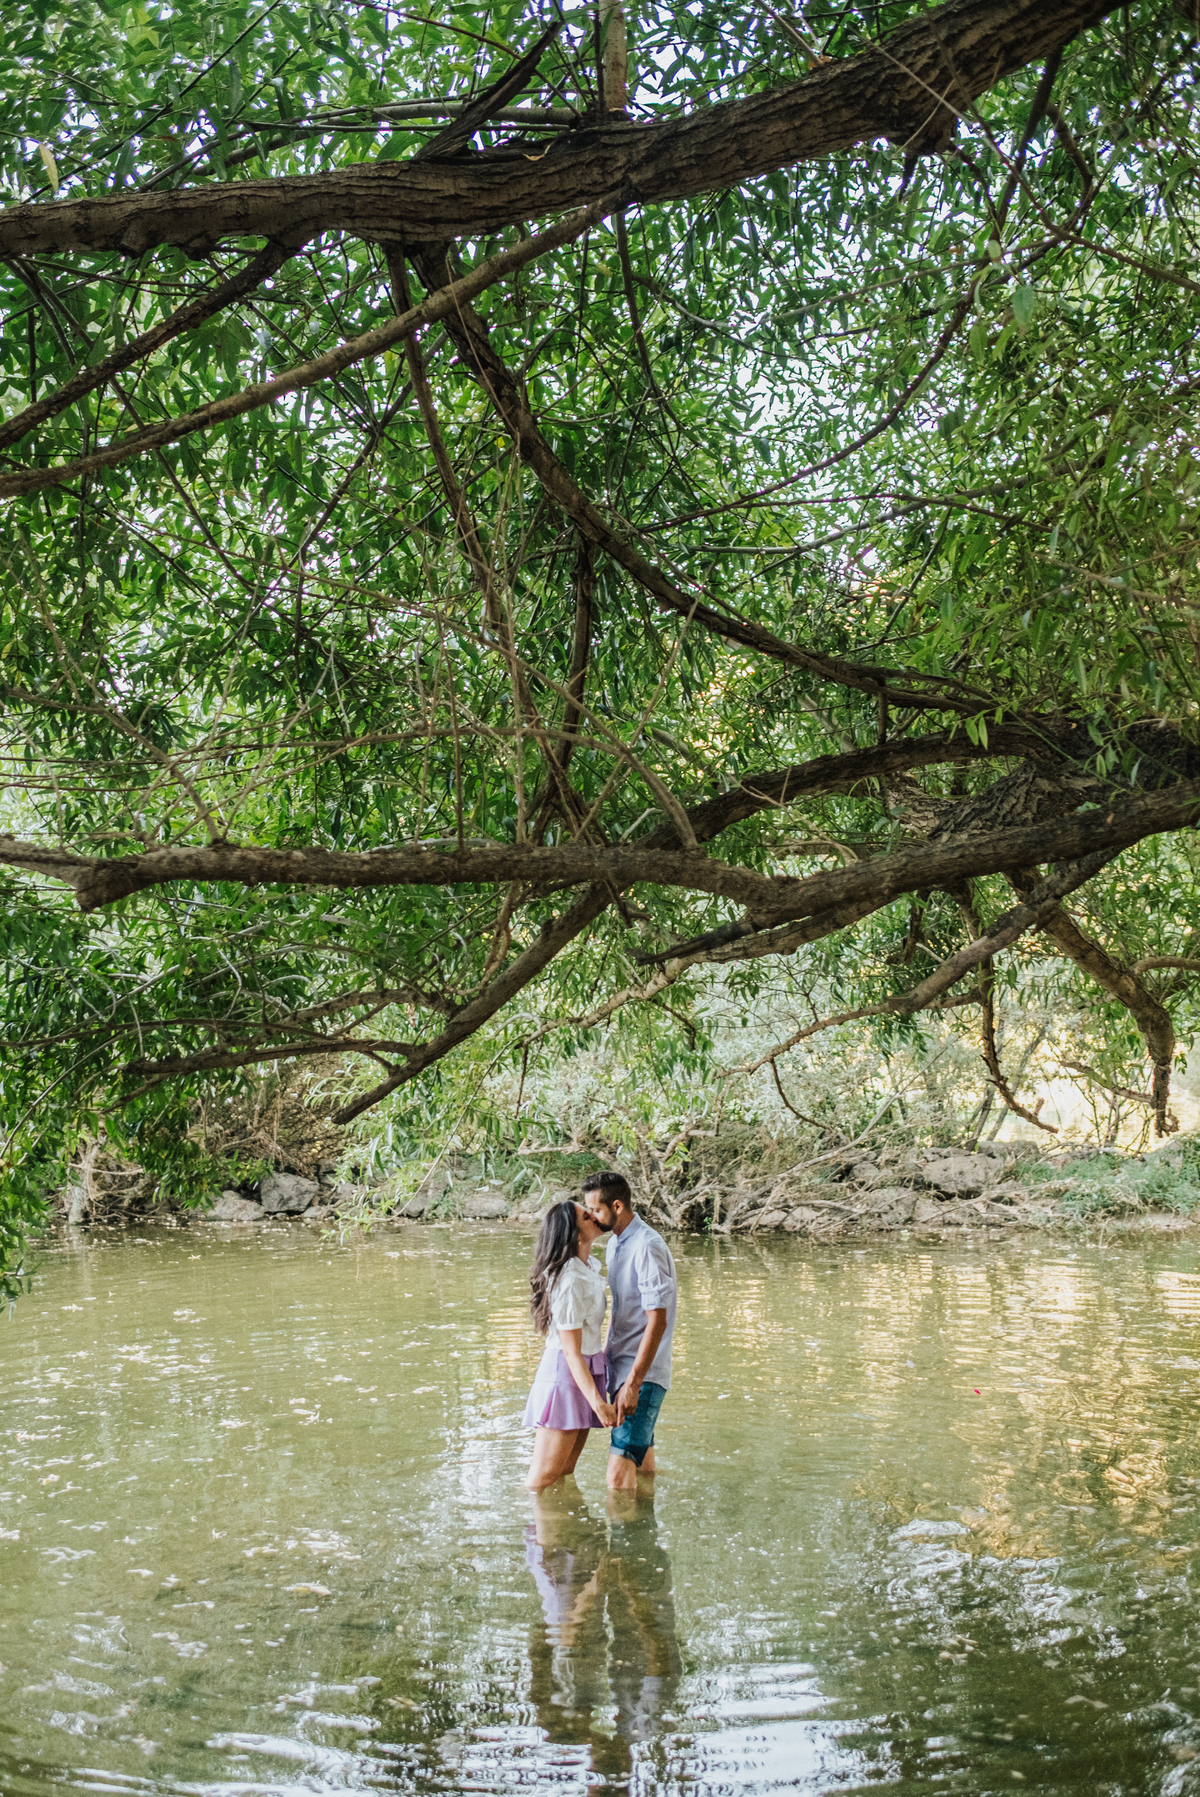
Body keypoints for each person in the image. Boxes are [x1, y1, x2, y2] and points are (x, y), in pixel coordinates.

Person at [582, 1171, 677, 1493]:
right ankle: (643, 1535)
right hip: (623, 1368)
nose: (591, 1217)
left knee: (616, 1479)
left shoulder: (646, 1246)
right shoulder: (616, 1244)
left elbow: (658, 1320)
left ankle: (626, 1542)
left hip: (641, 1375)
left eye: (595, 1210)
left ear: (617, 1206)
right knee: (641, 1465)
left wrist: (633, 1383)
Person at [523, 1200, 617, 1490]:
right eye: (587, 1217)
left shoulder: (587, 1268)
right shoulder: (570, 1279)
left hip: (585, 1369)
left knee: (565, 1470)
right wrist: (598, 1402)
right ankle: (531, 1532)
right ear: (574, 1233)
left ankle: (563, 1533)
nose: (596, 1218)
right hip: (565, 1374)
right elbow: (570, 1351)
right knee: (543, 1477)